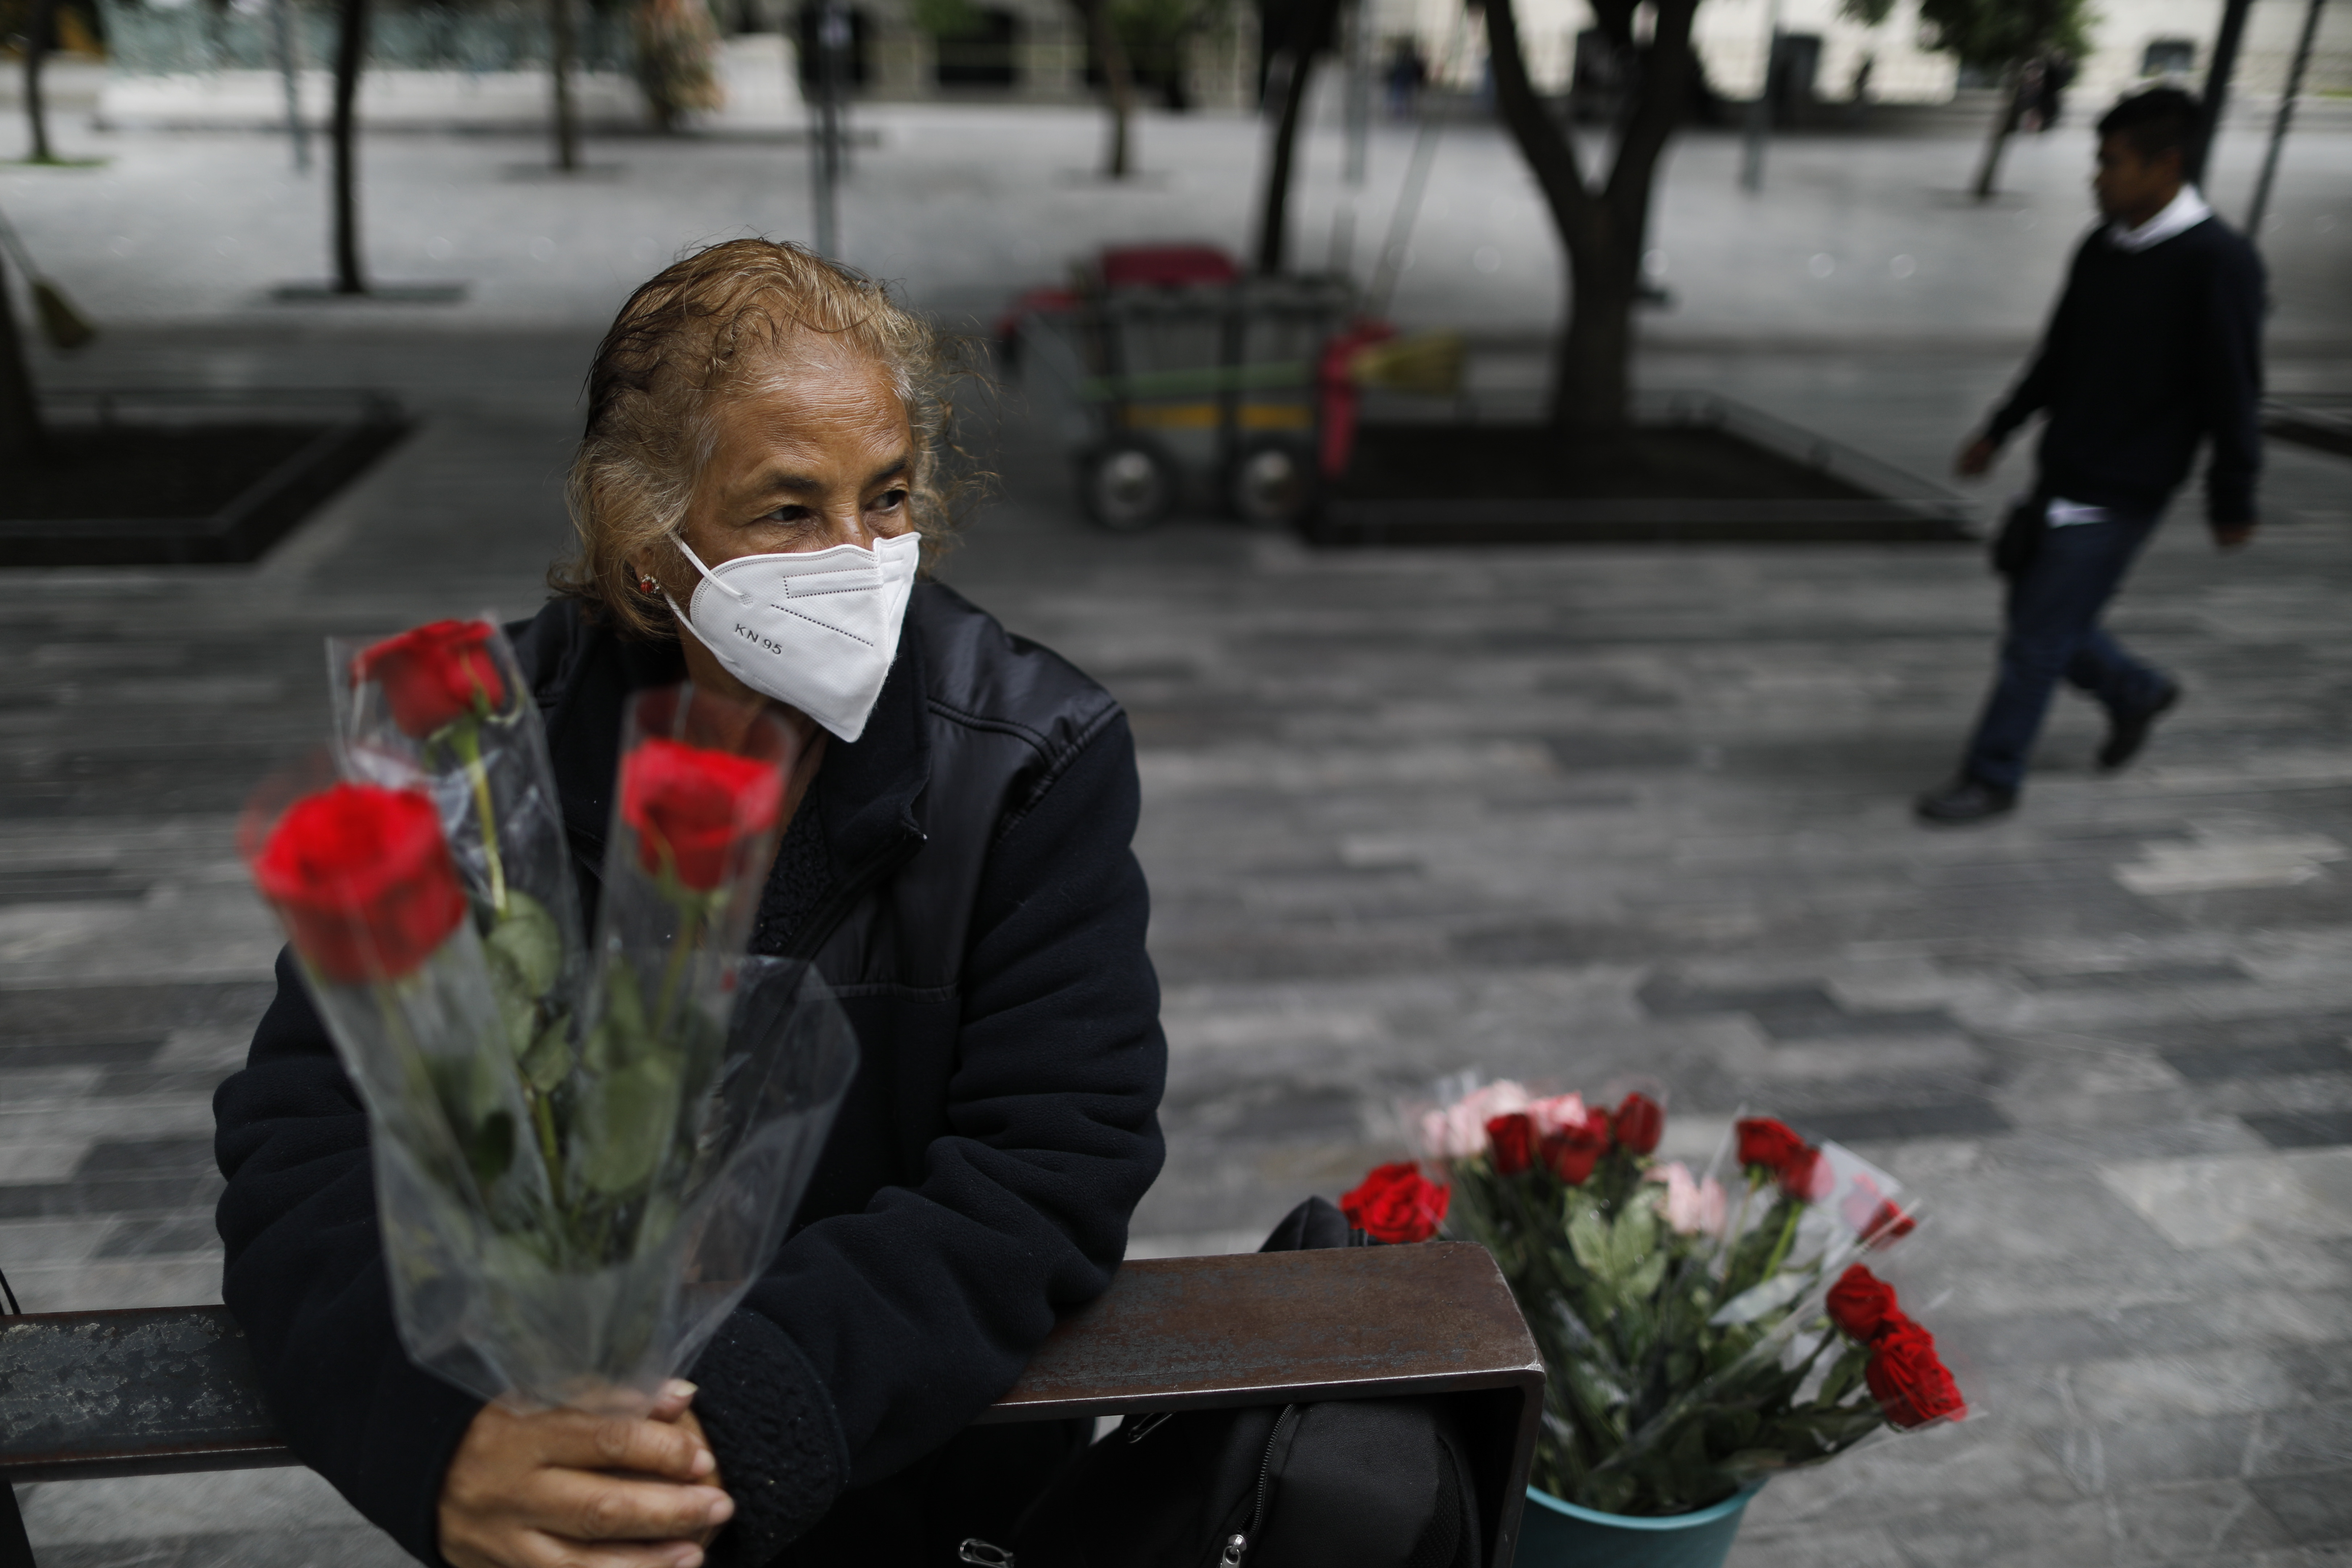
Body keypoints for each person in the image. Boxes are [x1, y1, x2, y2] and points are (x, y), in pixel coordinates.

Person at [213, 240, 1170, 1567]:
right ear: (646, 546)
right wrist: (445, 1438)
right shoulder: (470, 757)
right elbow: (308, 1144)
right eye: (787, 511)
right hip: (545, 1499)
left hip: (917, 1495)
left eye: (887, 495)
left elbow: (1051, 1165)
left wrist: (736, 1421)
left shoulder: (1029, 759)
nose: (859, 559)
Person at [1916, 87, 2264, 825]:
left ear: (2165, 166)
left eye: (2111, 163)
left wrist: (2232, 497)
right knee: (2036, 613)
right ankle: (2135, 691)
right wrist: (1999, 429)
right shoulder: (2103, 246)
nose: (2096, 178)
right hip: (2064, 467)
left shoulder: (2218, 263)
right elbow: (2058, 355)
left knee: (2036, 640)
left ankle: (1992, 775)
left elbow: (2234, 390)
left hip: (2125, 487)